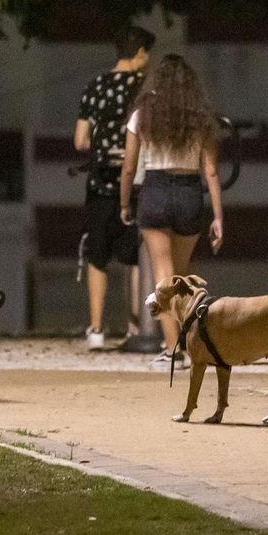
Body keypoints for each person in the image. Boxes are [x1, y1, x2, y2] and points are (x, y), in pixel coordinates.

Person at [119, 55, 224, 369]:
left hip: (155, 191)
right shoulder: (201, 119)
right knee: (181, 279)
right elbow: (211, 171)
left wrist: (124, 203)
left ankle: (173, 350)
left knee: (163, 277)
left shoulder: (142, 116)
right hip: (190, 193)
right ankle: (190, 347)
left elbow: (128, 167)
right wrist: (218, 217)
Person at [74, 25, 149, 349]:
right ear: (141, 53)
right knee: (135, 259)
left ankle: (96, 330)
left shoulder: (95, 86)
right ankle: (136, 326)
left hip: (100, 183)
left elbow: (80, 141)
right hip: (136, 184)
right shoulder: (146, 88)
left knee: (97, 255)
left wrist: (102, 145)